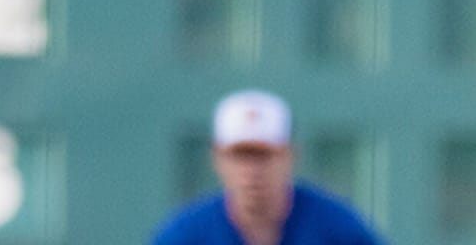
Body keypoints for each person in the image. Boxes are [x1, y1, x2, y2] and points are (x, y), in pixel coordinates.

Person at [151, 89, 384, 245]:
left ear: (290, 155)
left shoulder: (337, 230)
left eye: (264, 154)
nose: (252, 169)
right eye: (240, 155)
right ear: (217, 158)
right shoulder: (186, 236)